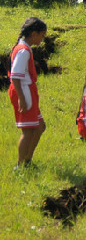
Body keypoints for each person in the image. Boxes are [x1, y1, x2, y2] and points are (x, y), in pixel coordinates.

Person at [8, 17, 48, 171]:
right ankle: (20, 166)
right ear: (34, 33)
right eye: (42, 35)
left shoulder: (23, 47)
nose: (42, 39)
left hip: (27, 91)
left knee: (39, 127)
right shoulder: (23, 51)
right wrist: (22, 99)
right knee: (29, 131)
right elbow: (15, 76)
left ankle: (27, 161)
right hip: (24, 92)